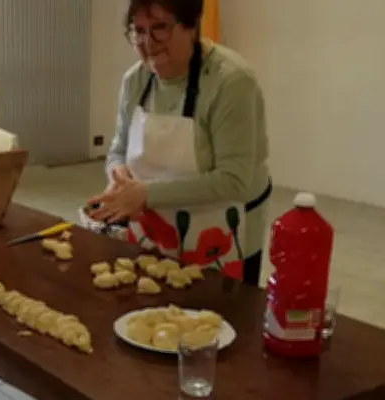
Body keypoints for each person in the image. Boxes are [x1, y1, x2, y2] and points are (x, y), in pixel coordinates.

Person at [87, 0, 271, 285]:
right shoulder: (135, 80)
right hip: (154, 230)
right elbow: (118, 150)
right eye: (139, 31)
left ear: (192, 26)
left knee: (217, 310)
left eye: (160, 28)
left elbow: (234, 180)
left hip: (223, 235)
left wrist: (145, 194)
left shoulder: (230, 82)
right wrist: (118, 177)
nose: (148, 43)